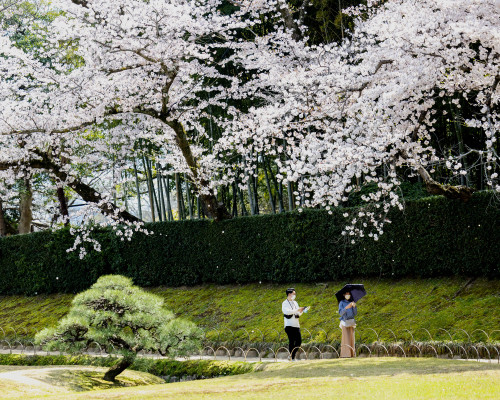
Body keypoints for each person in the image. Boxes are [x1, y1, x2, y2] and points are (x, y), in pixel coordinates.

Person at [282, 288, 304, 361]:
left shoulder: (295, 302)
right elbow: (287, 312)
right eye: (293, 294)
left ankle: (291, 355)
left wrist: (301, 311)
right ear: (289, 294)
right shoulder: (284, 303)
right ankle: (292, 357)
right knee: (291, 341)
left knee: (299, 341)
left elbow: (298, 313)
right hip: (289, 325)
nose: (295, 295)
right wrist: (296, 310)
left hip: (296, 324)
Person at [338, 291, 357, 358]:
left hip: (351, 322)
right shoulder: (341, 303)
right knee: (346, 338)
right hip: (344, 322)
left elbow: (355, 313)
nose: (348, 295)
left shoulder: (352, 302)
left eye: (349, 294)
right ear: (344, 295)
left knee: (352, 338)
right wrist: (346, 308)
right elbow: (340, 313)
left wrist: (354, 307)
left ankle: (352, 354)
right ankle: (345, 354)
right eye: (346, 294)